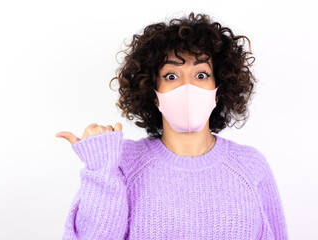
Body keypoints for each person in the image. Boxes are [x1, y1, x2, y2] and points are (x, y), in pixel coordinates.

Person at [56, 12, 288, 240]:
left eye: (201, 75)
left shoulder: (250, 166)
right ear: (153, 92)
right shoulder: (121, 163)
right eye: (171, 76)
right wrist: (101, 169)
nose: (187, 86)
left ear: (218, 90)